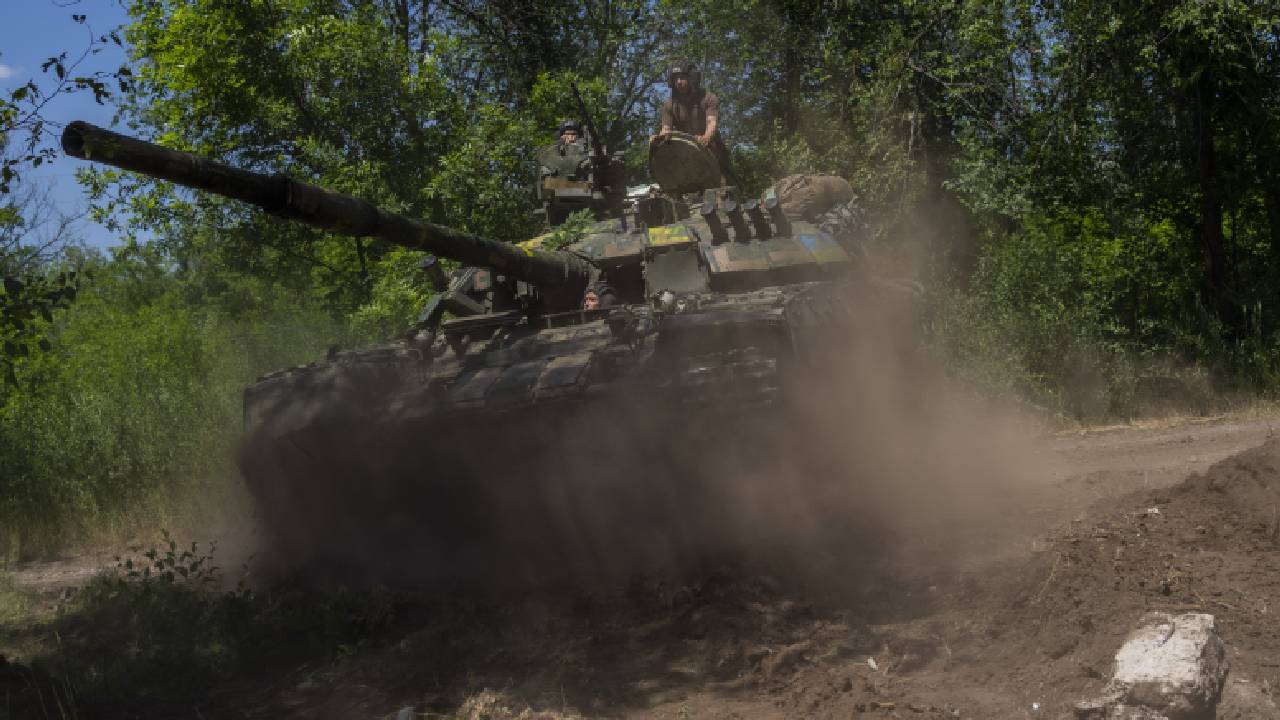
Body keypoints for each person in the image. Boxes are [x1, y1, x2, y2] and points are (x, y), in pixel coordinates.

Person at [653, 61, 736, 185]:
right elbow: (666, 130)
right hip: (686, 156)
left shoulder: (709, 98)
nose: (679, 82)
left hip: (713, 151)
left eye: (682, 77)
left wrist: (706, 137)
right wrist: (658, 139)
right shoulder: (669, 105)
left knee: (725, 184)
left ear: (692, 78)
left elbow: (712, 124)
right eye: (675, 79)